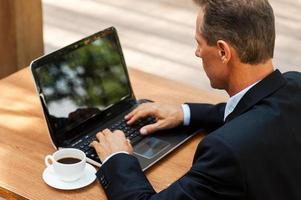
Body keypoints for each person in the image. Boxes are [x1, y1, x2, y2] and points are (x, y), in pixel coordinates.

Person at [90, 0, 301, 199]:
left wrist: (116, 158)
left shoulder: (225, 152)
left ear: (223, 51)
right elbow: (253, 111)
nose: (197, 53)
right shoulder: (295, 83)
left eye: (199, 43)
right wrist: (185, 113)